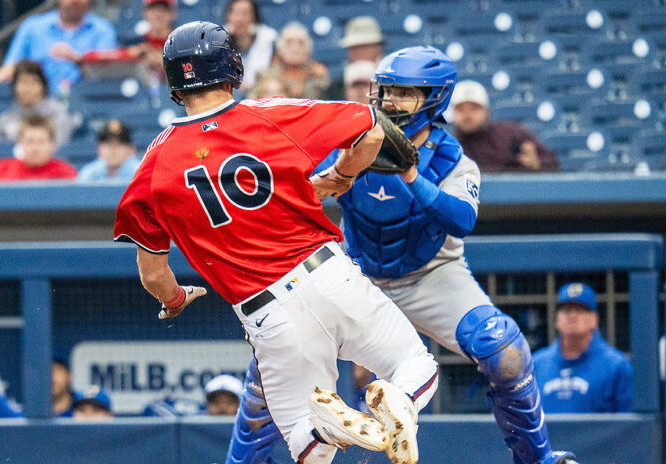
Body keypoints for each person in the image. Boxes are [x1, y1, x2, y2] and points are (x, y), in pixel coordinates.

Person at [228, 46, 578, 464]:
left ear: (434, 98)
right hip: (356, 274)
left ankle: (537, 459)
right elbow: (301, 180)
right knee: (269, 365)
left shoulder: (454, 160)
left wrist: (410, 172)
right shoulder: (352, 138)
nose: (389, 102)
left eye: (404, 93)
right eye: (385, 91)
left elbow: (461, 220)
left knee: (503, 350)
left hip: (432, 276)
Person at [113, 21, 439, 464]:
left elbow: (153, 273)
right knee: (417, 367)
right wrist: (341, 177)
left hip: (267, 314)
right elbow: (373, 131)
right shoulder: (272, 113)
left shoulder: (151, 168)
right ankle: (398, 399)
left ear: (174, 81)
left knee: (308, 451)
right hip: (327, 273)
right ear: (231, 66)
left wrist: (173, 299)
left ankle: (325, 429)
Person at [533, 283, 632, 413]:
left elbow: (629, 425)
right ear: (557, 319)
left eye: (580, 310)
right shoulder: (536, 364)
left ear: (594, 319)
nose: (572, 316)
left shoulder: (616, 365)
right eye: (566, 310)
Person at [0, 0, 117, 95]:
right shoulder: (32, 27)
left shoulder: (104, 30)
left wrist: (77, 60)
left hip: (85, 100)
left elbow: (105, 76)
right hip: (37, 104)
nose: (75, 1)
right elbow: (10, 67)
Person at [451, 80, 559, 173]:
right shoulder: (447, 147)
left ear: (486, 111)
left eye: (474, 109)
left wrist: (537, 165)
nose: (467, 115)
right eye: (460, 109)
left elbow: (553, 165)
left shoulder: (511, 135)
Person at [0, 60, 72, 146]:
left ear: (43, 86)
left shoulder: (58, 114)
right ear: (14, 87)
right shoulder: (6, 119)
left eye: (33, 82)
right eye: (23, 82)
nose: (28, 88)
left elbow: (60, 146)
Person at [260, 22, 329, 100]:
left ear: (308, 50)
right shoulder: (265, 75)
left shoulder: (319, 75)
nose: (295, 49)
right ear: (280, 49)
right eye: (289, 43)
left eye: (301, 43)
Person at [0, 115, 77, 181]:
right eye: (30, 141)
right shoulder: (2, 169)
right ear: (20, 143)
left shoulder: (66, 173)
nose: (35, 148)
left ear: (53, 144)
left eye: (41, 142)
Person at [223, 0, 276, 93]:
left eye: (245, 13)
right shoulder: (219, 39)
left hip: (260, 93)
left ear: (254, 17)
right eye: (236, 13)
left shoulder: (268, 39)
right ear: (228, 17)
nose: (239, 19)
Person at [327, 16, 384, 101]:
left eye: (365, 46)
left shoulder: (391, 85)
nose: (359, 52)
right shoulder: (336, 88)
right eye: (354, 47)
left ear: (377, 48)